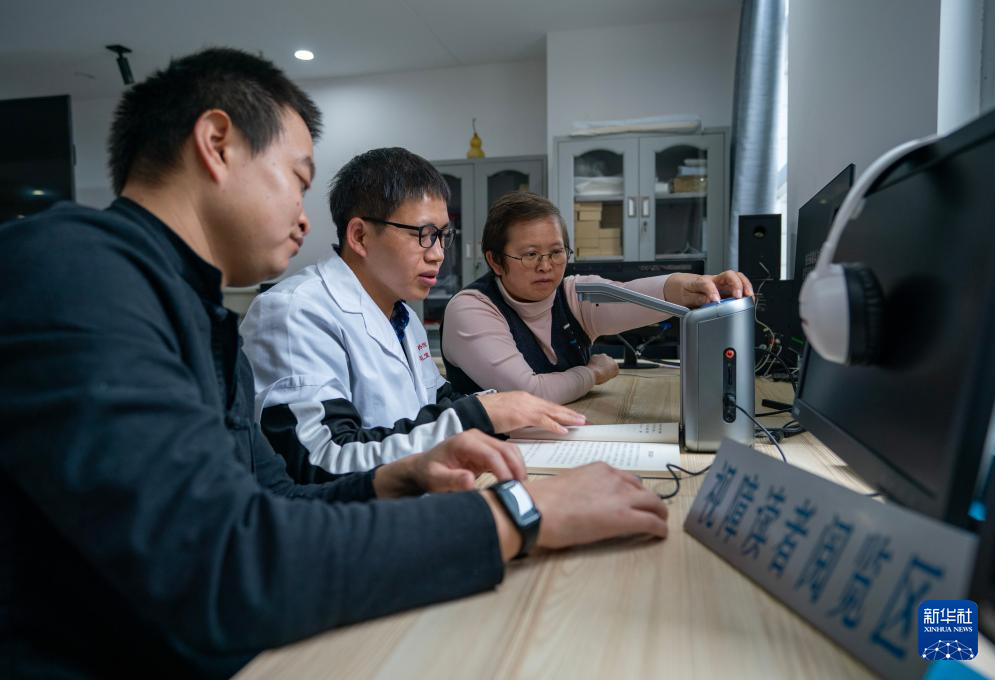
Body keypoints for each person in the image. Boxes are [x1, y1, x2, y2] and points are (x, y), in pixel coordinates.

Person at [0, 49, 668, 678]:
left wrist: (400, 477)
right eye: (297, 180)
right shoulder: (74, 271)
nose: (302, 218)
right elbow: (217, 563)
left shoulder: (199, 314)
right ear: (217, 143)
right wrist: (520, 513)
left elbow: (279, 502)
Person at [241, 148, 584, 478]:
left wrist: (508, 408)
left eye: (443, 236)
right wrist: (478, 414)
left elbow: (436, 400)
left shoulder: (403, 316)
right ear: (360, 236)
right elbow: (321, 461)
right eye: (424, 234)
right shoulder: (295, 312)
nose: (438, 254)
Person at [441, 192, 754, 404]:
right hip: (490, 453)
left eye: (557, 252)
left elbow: (640, 295)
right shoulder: (471, 309)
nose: (546, 266)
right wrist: (593, 373)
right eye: (531, 255)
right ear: (495, 261)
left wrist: (701, 286)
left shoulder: (573, 294)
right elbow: (529, 393)